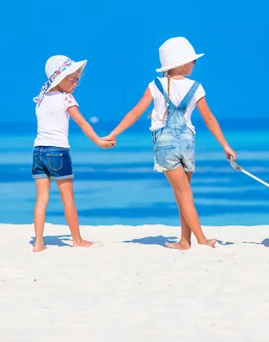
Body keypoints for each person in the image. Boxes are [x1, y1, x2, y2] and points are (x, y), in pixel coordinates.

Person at [103, 37, 236, 250]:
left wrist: (114, 133)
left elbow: (136, 112)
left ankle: (198, 240)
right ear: (182, 63)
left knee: (182, 195)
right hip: (187, 143)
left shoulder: (155, 85)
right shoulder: (196, 87)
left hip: (166, 144)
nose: (194, 64)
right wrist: (225, 145)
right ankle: (186, 241)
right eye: (193, 60)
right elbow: (209, 118)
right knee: (185, 194)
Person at [31, 54, 115, 252]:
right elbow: (83, 122)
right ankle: (77, 239)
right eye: (72, 78)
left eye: (78, 79)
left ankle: (38, 242)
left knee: (41, 199)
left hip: (38, 151)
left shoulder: (41, 99)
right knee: (68, 199)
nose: (76, 83)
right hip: (58, 152)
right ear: (60, 79)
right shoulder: (66, 98)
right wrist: (99, 141)